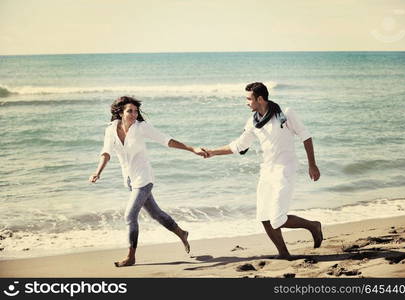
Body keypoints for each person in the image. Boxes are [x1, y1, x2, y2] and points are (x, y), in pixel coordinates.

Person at [202, 82, 322, 259]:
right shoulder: (252, 122)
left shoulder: (285, 114)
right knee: (264, 217)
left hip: (285, 169)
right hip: (267, 171)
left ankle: (313, 226)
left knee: (277, 219)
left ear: (260, 99)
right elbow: (238, 145)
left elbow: (306, 136)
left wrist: (312, 164)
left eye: (249, 99)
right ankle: (283, 253)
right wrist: (212, 152)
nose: (246, 102)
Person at [89, 96, 207, 267]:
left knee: (130, 216)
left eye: (136, 111)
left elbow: (167, 140)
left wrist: (192, 149)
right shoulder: (110, 129)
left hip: (144, 178)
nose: (134, 114)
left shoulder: (141, 127)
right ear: (120, 112)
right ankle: (182, 233)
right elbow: (106, 152)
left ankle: (131, 257)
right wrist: (97, 172)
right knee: (156, 214)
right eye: (130, 111)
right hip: (129, 179)